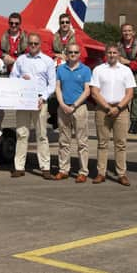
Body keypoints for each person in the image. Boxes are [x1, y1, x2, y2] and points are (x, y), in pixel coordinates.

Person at [9, 33, 56, 180]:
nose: (33, 46)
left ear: (40, 44)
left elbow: (52, 84)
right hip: (23, 101)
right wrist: (20, 79)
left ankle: (45, 167)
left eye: (36, 43)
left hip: (40, 101)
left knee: (42, 135)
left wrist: (44, 97)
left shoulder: (47, 61)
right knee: (22, 134)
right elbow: (12, 78)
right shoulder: (21, 60)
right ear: (27, 45)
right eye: (31, 43)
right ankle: (19, 167)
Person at [90, 43, 136, 186]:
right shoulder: (98, 70)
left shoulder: (126, 70)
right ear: (106, 54)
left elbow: (130, 93)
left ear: (118, 54)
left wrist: (119, 107)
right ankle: (101, 173)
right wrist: (107, 106)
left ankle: (121, 173)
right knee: (102, 143)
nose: (111, 55)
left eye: (114, 52)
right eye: (109, 52)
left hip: (121, 110)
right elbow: (94, 92)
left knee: (120, 143)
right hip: (103, 109)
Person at [53, 43, 92, 183]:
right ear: (66, 54)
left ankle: (83, 171)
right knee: (64, 141)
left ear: (79, 54)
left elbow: (87, 90)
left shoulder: (86, 70)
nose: (73, 54)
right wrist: (62, 104)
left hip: (79, 108)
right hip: (63, 108)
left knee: (82, 142)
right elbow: (57, 87)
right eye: (70, 52)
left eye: (75, 52)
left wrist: (75, 105)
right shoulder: (61, 69)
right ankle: (63, 169)